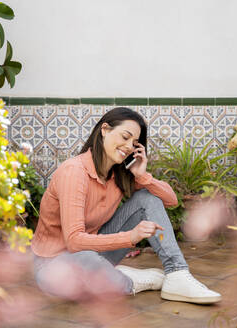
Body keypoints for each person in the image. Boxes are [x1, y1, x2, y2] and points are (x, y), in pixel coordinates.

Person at [31, 107, 221, 304]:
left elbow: (171, 201)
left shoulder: (120, 174)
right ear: (104, 130)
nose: (129, 146)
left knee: (148, 198)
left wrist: (142, 175)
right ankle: (130, 281)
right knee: (90, 267)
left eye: (134, 143)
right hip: (54, 265)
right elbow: (74, 241)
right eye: (125, 137)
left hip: (93, 253)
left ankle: (177, 273)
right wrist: (130, 237)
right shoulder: (74, 172)